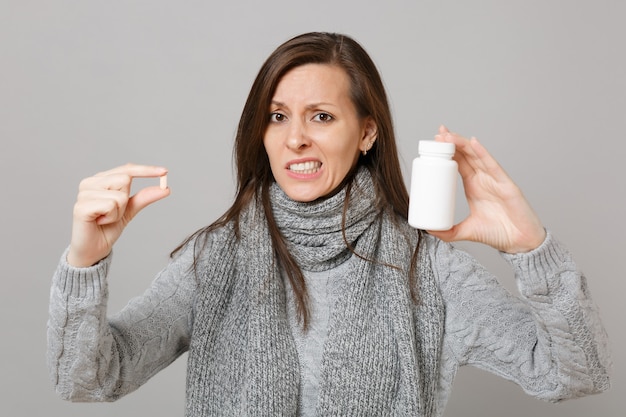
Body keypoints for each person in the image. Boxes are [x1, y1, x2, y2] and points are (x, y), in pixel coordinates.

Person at [47, 32, 610, 416]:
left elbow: (572, 372)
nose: (296, 139)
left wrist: (531, 248)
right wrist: (85, 262)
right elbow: (89, 379)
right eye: (277, 116)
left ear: (366, 133)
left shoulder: (424, 266)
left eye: (322, 116)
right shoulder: (214, 260)